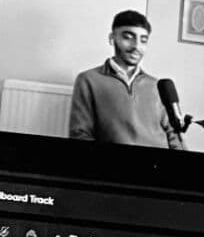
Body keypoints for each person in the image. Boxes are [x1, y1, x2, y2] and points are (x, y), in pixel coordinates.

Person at [69, 10, 185, 147]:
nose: (136, 46)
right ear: (112, 38)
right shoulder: (88, 80)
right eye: (128, 37)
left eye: (143, 40)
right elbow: (80, 134)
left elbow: (175, 137)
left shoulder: (157, 85)